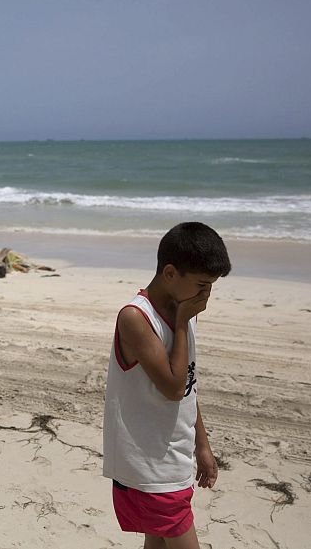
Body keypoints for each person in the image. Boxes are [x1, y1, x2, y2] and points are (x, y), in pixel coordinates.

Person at [103, 222, 231, 549]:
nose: (206, 296)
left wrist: (201, 445)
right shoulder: (136, 317)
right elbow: (172, 388)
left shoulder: (182, 312)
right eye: (202, 285)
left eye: (211, 287)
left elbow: (188, 384)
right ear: (171, 273)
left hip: (174, 457)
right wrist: (183, 320)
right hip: (149, 467)